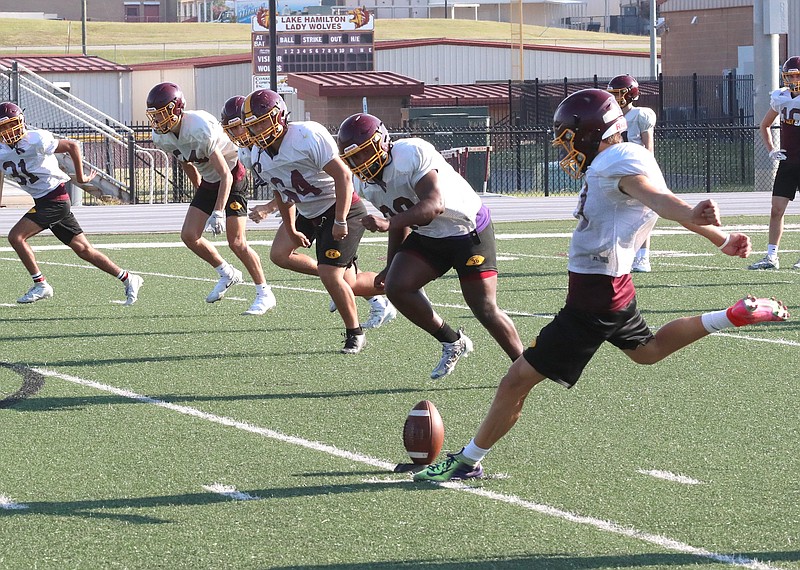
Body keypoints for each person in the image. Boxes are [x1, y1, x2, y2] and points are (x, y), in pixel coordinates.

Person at [414, 89, 789, 482]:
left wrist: (693, 213)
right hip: (615, 285)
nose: (565, 144)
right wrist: (720, 237)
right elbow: (665, 202)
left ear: (591, 133)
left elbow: (659, 199)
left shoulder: (616, 164)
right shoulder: (623, 158)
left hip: (594, 295)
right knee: (648, 351)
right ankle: (730, 316)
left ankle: (467, 460)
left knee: (516, 380)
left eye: (568, 135)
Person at [337, 113, 523, 379]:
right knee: (397, 287)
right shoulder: (364, 183)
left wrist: (388, 224)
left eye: (364, 153)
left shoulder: (411, 153)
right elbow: (397, 220)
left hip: (466, 228)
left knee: (483, 306)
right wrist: (391, 264)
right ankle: (452, 341)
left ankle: (523, 366)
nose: (360, 163)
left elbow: (433, 205)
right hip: (429, 234)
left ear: (383, 142)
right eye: (353, 158)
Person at [241, 89, 395, 353]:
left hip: (340, 207)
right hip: (307, 211)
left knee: (333, 276)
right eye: (253, 126)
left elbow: (343, 177)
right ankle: (369, 285)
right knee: (280, 254)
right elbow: (284, 192)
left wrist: (340, 219)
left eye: (263, 122)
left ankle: (355, 332)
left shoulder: (305, 136)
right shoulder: (257, 155)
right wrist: (290, 228)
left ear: (279, 116)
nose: (258, 131)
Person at [146, 82, 275, 315]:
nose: (158, 121)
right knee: (189, 235)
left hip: (232, 175)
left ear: (177, 109)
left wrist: (217, 212)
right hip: (209, 180)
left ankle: (264, 292)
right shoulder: (161, 136)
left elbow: (225, 173)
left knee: (236, 242)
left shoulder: (199, 126)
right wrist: (200, 191)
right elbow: (185, 160)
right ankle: (227, 273)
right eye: (155, 116)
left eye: (163, 114)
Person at [0, 102, 143, 305]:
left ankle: (41, 284)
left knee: (16, 237)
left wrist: (81, 176)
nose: (8, 131)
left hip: (55, 199)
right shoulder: (1, 149)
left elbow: (72, 145)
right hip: (44, 201)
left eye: (11, 124)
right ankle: (128, 278)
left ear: (21, 121)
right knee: (84, 250)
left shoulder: (36, 139)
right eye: (3, 127)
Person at [747, 56, 800, 271]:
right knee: (776, 209)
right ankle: (771, 256)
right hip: (788, 162)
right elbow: (765, 125)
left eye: (797, 76)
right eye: (790, 76)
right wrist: (771, 151)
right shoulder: (781, 97)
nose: (794, 80)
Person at [607, 73, 657, 273]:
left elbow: (648, 145)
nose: (614, 98)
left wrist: (647, 168)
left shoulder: (640, 115)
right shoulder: (611, 117)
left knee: (642, 215)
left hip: (637, 168)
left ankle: (643, 258)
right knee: (615, 213)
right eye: (612, 94)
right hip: (617, 169)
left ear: (630, 94)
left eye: (618, 93)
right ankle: (619, 255)